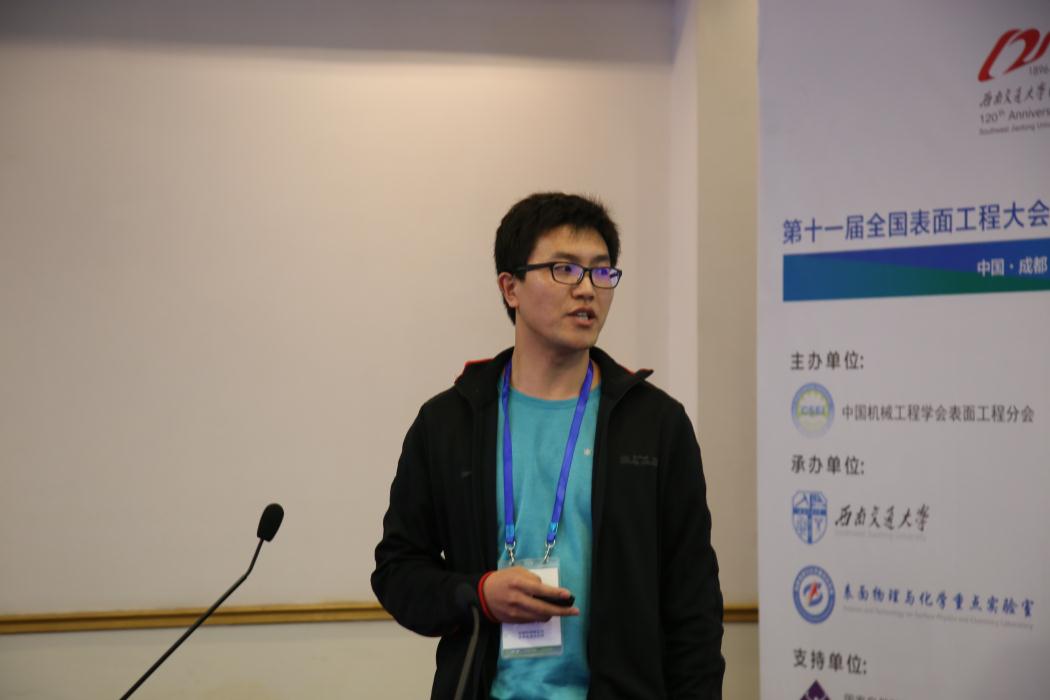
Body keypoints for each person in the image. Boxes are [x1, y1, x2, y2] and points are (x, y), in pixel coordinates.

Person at [372, 192, 724, 699]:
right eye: (565, 269)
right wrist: (477, 595)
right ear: (510, 287)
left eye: (601, 272)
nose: (587, 289)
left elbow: (693, 602)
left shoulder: (655, 424)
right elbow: (397, 570)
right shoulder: (450, 422)